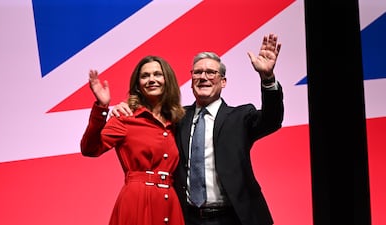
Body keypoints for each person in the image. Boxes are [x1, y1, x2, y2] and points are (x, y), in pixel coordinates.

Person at [111, 33, 284, 225]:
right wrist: (127, 108)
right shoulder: (175, 119)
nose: (203, 77)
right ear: (191, 79)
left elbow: (272, 120)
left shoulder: (240, 117)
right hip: (188, 218)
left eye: (211, 72)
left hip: (234, 218)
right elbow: (148, 123)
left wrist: (267, 78)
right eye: (198, 72)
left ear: (223, 82)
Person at [80, 55, 186, 225]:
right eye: (145, 76)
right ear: (137, 85)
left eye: (157, 74)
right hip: (137, 201)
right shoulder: (126, 117)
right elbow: (90, 149)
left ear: (168, 80)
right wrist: (102, 108)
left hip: (171, 202)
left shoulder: (177, 121)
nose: (151, 79)